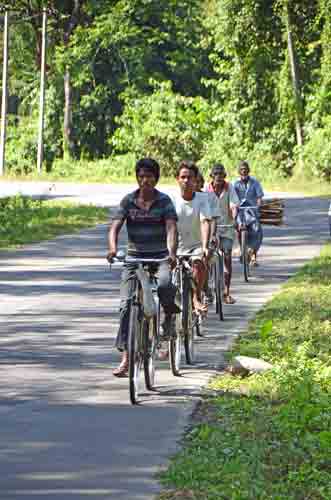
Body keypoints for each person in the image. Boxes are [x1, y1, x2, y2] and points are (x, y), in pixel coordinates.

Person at [107, 158, 179, 377]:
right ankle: (127, 358)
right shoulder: (128, 201)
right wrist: (112, 248)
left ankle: (167, 319)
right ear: (137, 177)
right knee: (126, 306)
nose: (144, 180)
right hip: (133, 259)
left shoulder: (164, 201)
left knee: (166, 285)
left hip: (159, 257)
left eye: (149, 176)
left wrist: (172, 252)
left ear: (156, 178)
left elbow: (171, 229)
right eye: (141, 176)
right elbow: (115, 227)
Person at [171, 160, 212, 313]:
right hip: (175, 246)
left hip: (196, 245)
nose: (186, 181)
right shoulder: (172, 200)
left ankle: (196, 297)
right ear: (177, 179)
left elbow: (205, 222)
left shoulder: (202, 199)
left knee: (199, 262)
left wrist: (205, 247)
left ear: (196, 180)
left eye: (190, 178)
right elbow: (168, 225)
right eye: (183, 177)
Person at [206, 163, 239, 304]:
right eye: (215, 175)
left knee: (227, 256)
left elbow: (233, 205)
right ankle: (206, 289)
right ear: (212, 177)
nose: (218, 178)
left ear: (224, 176)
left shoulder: (229, 187)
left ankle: (226, 291)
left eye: (221, 175)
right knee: (206, 257)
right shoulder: (206, 190)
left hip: (226, 226)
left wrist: (235, 216)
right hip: (211, 229)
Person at [233, 160, 264, 265]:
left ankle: (253, 252)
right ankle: (242, 249)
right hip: (240, 211)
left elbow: (259, 196)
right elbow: (232, 198)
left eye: (245, 169)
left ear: (248, 171)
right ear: (239, 172)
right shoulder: (235, 184)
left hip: (252, 210)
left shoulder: (255, 182)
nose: (244, 171)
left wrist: (258, 205)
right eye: (241, 170)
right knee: (238, 227)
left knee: (257, 230)